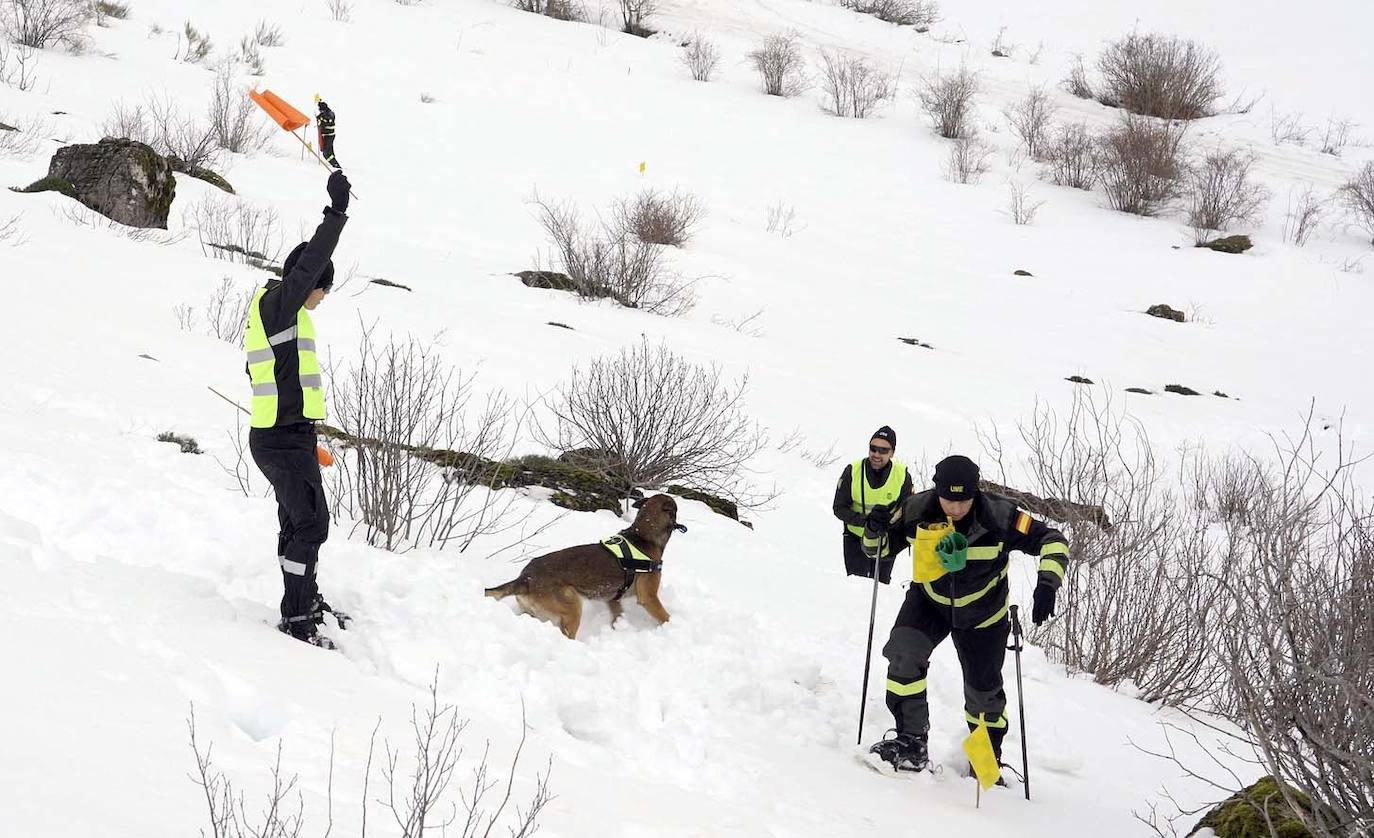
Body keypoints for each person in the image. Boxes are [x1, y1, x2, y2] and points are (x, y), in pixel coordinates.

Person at [868, 454, 1069, 774]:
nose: (956, 508)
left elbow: (1053, 540)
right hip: (929, 601)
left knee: (983, 694)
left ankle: (985, 766)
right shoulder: (916, 508)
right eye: (949, 499)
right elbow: (876, 550)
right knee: (903, 655)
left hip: (984, 614)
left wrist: (1048, 583)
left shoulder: (1000, 515)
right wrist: (874, 528)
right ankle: (911, 742)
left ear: (976, 493)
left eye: (964, 500)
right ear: (937, 491)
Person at [245, 170, 351, 648]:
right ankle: (297, 617)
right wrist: (337, 213)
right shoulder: (280, 304)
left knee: (297, 523)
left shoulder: (278, 313)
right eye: (322, 290)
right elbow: (310, 264)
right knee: (310, 524)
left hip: (290, 436)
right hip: (280, 440)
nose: (321, 298)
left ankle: (305, 598)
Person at [832, 426, 913, 584]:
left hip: (884, 540)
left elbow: (906, 509)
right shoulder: (853, 471)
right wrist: (867, 521)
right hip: (855, 537)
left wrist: (888, 523)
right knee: (857, 585)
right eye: (873, 449)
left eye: (883, 450)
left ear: (892, 453)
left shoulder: (902, 475)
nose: (876, 454)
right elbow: (839, 508)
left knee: (880, 586)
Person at [317, 99, 340, 169]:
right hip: (326, 136)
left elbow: (328, 120)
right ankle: (334, 163)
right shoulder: (324, 114)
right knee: (329, 151)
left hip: (329, 136)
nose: (320, 112)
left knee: (326, 153)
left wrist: (321, 118)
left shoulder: (330, 114)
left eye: (321, 110)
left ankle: (335, 165)